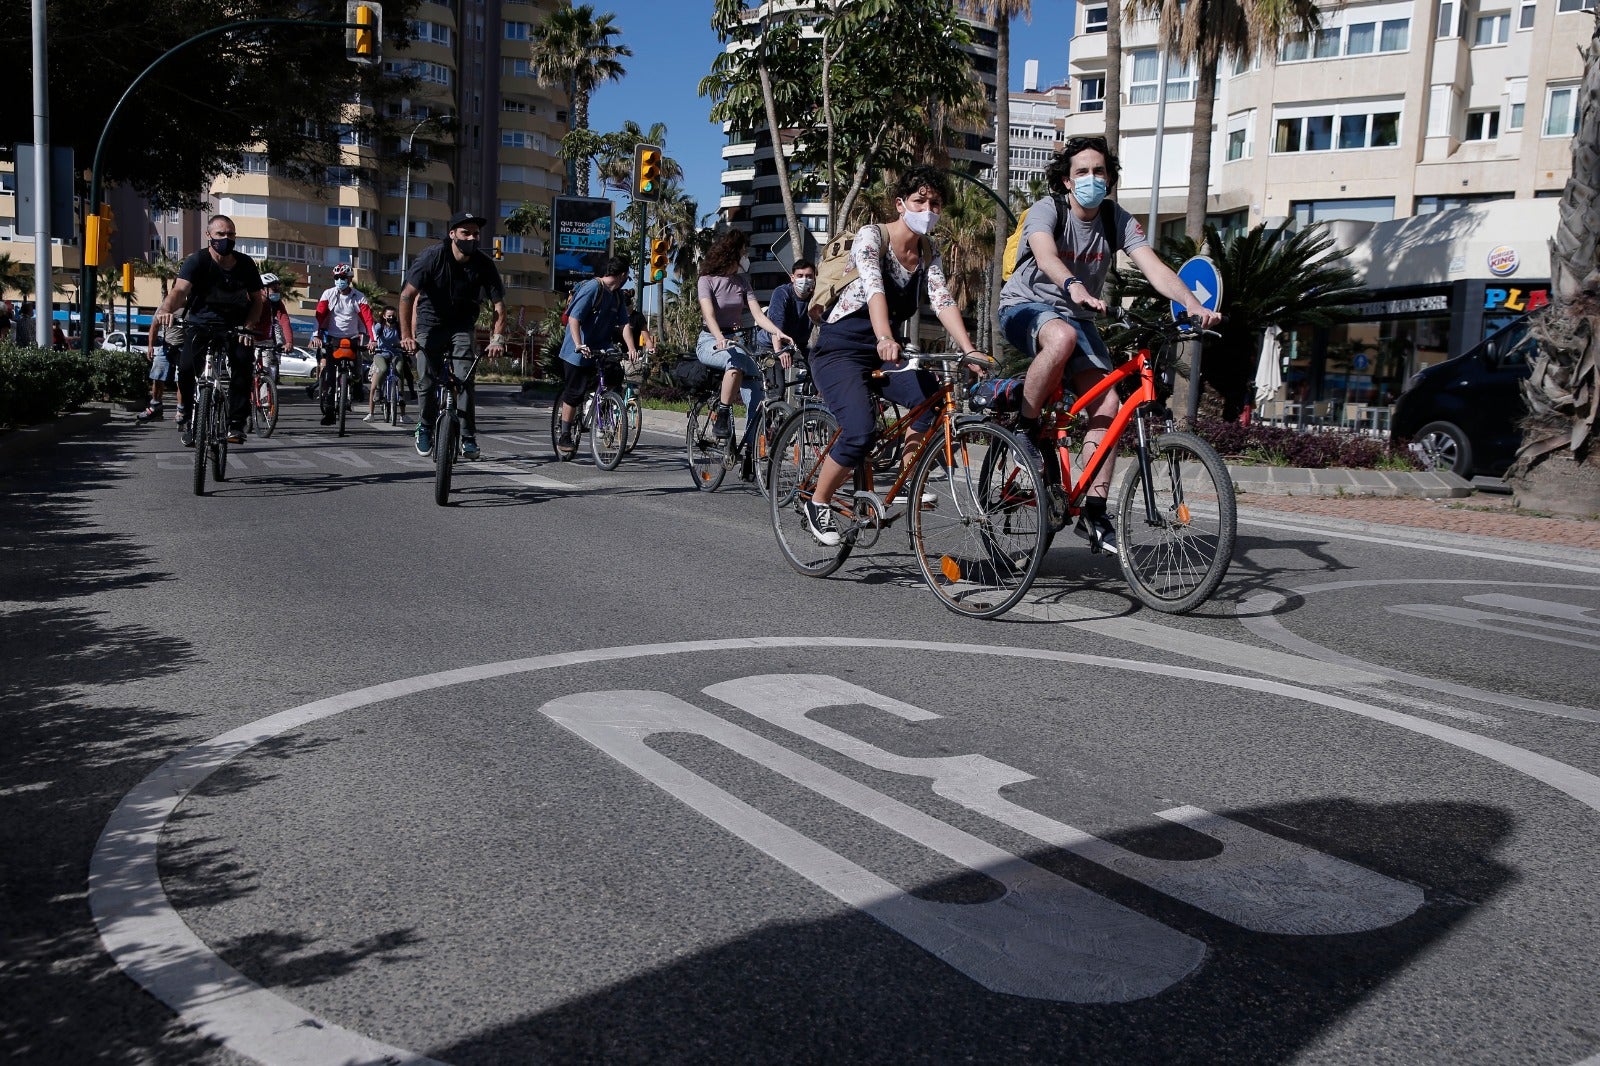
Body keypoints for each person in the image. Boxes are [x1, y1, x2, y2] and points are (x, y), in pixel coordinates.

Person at [997, 135, 1221, 555]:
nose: (1091, 178)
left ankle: (1094, 510)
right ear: (1066, 180)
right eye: (1082, 171)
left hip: (1079, 316)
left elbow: (1152, 265)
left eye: (1099, 171)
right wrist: (1073, 284)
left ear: (1110, 178)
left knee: (1109, 405)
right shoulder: (1050, 209)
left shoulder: (1116, 219)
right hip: (1026, 306)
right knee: (1059, 336)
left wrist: (1193, 304)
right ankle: (1025, 430)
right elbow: (1044, 254)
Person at [802, 164, 983, 547]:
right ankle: (818, 501)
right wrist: (884, 335)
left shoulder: (928, 251)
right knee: (860, 431)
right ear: (901, 204)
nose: (928, 208)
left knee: (930, 401)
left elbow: (941, 297)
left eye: (935, 202)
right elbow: (873, 287)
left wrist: (969, 350)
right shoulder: (873, 236)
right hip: (841, 348)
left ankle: (904, 482)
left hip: (887, 351)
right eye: (920, 200)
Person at [399, 210, 507, 460]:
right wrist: (407, 335)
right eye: (465, 233)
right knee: (426, 379)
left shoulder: (484, 264)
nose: (471, 238)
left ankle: (468, 437)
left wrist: (497, 339)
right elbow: (406, 297)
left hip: (461, 326)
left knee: (465, 380)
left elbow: (499, 308)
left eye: (476, 234)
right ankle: (424, 426)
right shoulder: (432, 257)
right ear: (452, 235)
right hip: (430, 324)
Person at [152, 214, 265, 446]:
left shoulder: (245, 264)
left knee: (242, 365)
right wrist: (166, 309)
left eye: (231, 234)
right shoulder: (197, 261)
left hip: (235, 327)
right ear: (208, 236)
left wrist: (249, 327)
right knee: (184, 368)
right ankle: (189, 413)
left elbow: (257, 300)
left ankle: (235, 424)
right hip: (200, 324)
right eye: (220, 234)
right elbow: (179, 291)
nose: (226, 239)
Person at [695, 229, 791, 441]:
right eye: (744, 252)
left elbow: (758, 314)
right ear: (733, 254)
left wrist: (778, 331)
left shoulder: (742, 282)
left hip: (737, 342)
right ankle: (722, 414)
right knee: (735, 364)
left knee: (758, 392)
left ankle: (749, 451)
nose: (746, 257)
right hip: (710, 341)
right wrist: (720, 337)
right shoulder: (707, 280)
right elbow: (708, 315)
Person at [555, 257, 638, 453]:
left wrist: (632, 348)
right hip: (577, 350)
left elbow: (624, 324)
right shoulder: (593, 288)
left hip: (601, 347)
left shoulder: (617, 295)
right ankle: (565, 435)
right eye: (628, 276)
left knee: (615, 374)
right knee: (574, 393)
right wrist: (578, 344)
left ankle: (605, 403)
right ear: (623, 274)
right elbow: (574, 318)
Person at [313, 263, 376, 426]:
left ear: (349, 279)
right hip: (333, 338)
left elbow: (368, 319)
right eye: (336, 278)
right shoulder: (328, 294)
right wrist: (316, 336)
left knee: (356, 370)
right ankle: (329, 411)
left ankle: (356, 385)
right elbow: (318, 317)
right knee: (329, 375)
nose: (339, 281)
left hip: (353, 337)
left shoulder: (359, 296)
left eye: (342, 278)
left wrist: (373, 340)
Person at [760, 259, 816, 403]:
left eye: (809, 276)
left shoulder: (816, 297)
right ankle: (771, 422)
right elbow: (776, 326)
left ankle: (807, 406)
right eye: (800, 275)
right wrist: (779, 350)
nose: (805, 280)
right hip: (772, 345)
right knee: (777, 390)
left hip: (797, 345)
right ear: (792, 278)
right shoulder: (782, 293)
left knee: (820, 366)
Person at [365, 307, 414, 422]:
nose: (391, 318)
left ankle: (402, 414)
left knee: (399, 370)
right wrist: (372, 344)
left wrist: (407, 347)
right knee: (382, 370)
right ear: (384, 316)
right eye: (389, 316)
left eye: (393, 316)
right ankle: (371, 412)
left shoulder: (399, 327)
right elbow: (372, 338)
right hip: (380, 354)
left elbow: (405, 338)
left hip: (396, 354)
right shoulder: (379, 327)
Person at [136, 307, 184, 423]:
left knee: (181, 380)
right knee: (157, 375)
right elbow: (154, 326)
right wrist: (150, 346)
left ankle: (181, 411)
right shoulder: (166, 306)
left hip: (184, 347)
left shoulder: (192, 306)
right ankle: (155, 407)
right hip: (166, 346)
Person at [249, 272, 295, 390]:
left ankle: (265, 405)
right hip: (248, 340)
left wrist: (289, 342)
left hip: (265, 341)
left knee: (266, 372)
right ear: (263, 289)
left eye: (278, 288)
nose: (277, 292)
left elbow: (284, 320)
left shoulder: (276, 303)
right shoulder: (251, 299)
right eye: (274, 289)